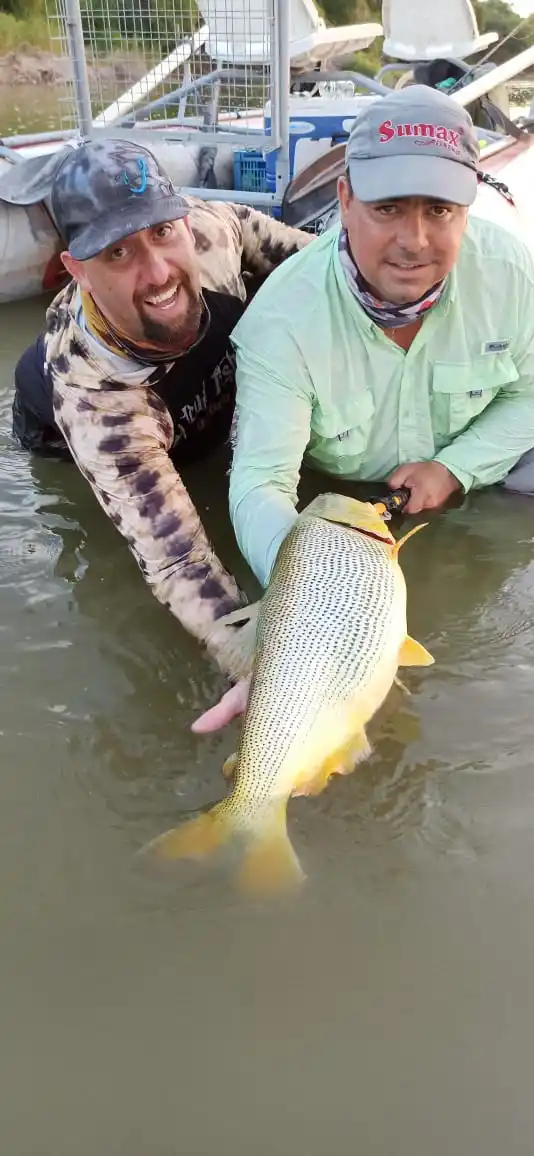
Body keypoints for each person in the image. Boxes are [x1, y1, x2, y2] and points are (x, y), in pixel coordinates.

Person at [194, 84, 534, 733]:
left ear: (469, 206)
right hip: (339, 506)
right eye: (387, 208)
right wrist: (308, 599)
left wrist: (454, 468)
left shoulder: (514, 275)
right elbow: (261, 485)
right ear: (345, 201)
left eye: (439, 209)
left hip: (469, 461)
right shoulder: (281, 324)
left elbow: (531, 393)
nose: (415, 241)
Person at [12, 137, 311, 679]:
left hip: (189, 389)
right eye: (117, 252)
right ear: (76, 269)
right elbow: (178, 559)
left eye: (161, 232)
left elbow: (327, 274)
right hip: (61, 430)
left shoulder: (210, 233)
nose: (157, 273)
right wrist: (266, 672)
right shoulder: (93, 401)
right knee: (114, 527)